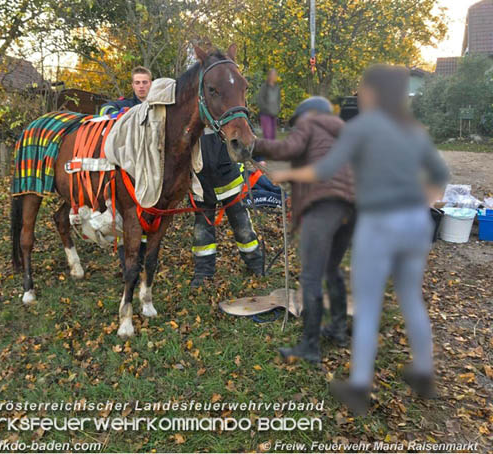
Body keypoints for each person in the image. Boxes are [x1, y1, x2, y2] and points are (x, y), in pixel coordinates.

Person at [267, 65, 450, 415]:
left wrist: (287, 173)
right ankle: (424, 372)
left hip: (380, 222)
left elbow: (324, 169)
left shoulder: (363, 127)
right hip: (416, 223)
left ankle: (359, 387)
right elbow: (439, 179)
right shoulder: (414, 130)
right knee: (410, 298)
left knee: (367, 306)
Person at [254, 96, 355, 364]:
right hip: (352, 208)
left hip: (323, 206)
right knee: (331, 270)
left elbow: (287, 148)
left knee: (310, 277)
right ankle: (337, 329)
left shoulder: (311, 123)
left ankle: (310, 346)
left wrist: (254, 145)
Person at [191, 129, 265, 287]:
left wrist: (259, 159)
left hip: (228, 178)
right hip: (200, 182)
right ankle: (203, 272)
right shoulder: (192, 113)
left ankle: (256, 264)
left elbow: (244, 132)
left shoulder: (225, 109)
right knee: (202, 229)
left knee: (241, 224)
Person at [100, 66, 153, 272]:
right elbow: (104, 110)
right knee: (127, 215)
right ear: (132, 85)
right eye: (137, 83)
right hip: (128, 170)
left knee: (148, 215)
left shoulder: (159, 105)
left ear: (151, 83)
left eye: (145, 82)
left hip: (152, 172)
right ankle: (128, 265)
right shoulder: (126, 104)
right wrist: (126, 113)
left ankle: (145, 258)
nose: (141, 87)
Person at [256, 69, 282, 141]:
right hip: (265, 114)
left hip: (274, 114)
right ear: (269, 76)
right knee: (268, 135)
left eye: (275, 75)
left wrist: (277, 109)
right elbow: (260, 100)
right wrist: (266, 109)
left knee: (273, 136)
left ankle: (272, 151)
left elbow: (278, 100)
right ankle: (267, 151)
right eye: (273, 75)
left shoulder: (277, 87)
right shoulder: (264, 87)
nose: (274, 76)